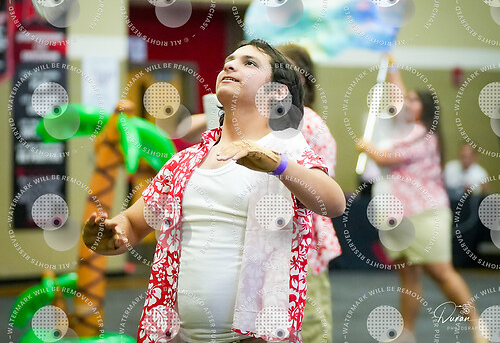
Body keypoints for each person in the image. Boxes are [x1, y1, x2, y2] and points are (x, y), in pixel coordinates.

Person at [82, 39, 346, 343]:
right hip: (179, 336)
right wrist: (111, 235)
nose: (230, 65)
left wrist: (279, 166)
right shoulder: (185, 162)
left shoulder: (285, 146)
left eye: (249, 63)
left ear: (277, 92)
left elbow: (333, 203)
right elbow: (133, 223)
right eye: (229, 60)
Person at [357, 62, 487, 343]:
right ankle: (407, 333)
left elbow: (384, 158)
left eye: (414, 100)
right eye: (407, 99)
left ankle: (478, 325)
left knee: (441, 272)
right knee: (409, 278)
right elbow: (397, 96)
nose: (406, 103)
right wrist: (392, 67)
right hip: (398, 216)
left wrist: (368, 148)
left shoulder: (424, 136)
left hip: (425, 214)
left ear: (425, 109)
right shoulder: (403, 130)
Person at [277, 44, 341, 343]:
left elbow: (321, 192)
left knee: (310, 325)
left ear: (300, 79)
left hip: (303, 242)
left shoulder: (306, 121)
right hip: (278, 239)